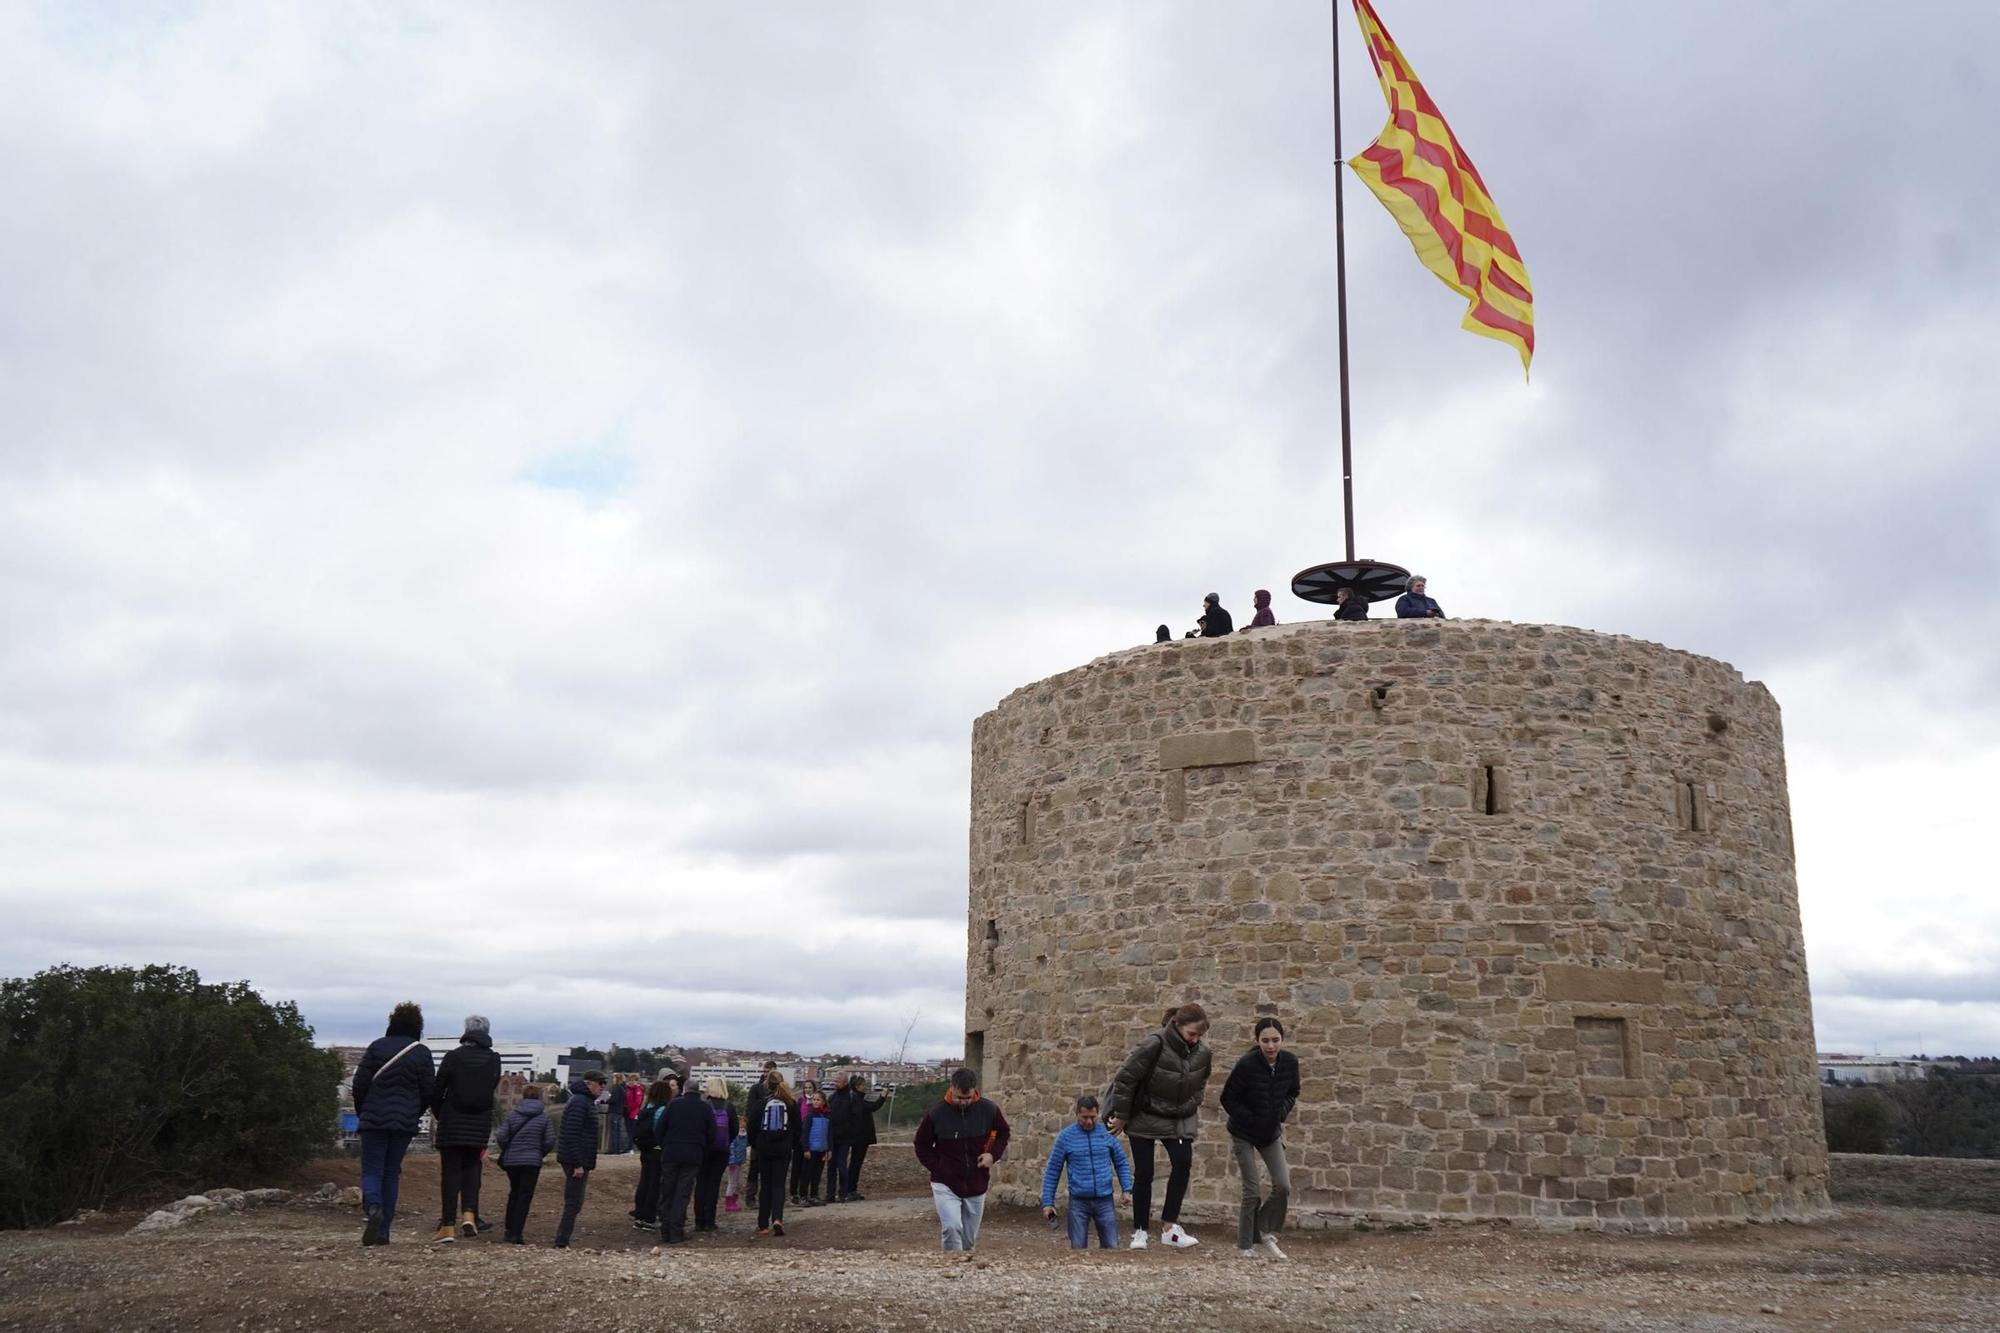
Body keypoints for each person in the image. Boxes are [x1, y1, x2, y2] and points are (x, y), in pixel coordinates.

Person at [1106, 1001, 1214, 1250]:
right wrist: (1122, 1115)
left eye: (1199, 1035)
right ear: (1177, 1025)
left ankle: (1169, 1227)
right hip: (1145, 1113)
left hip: (1179, 1115)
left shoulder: (1203, 1052)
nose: (1195, 1040)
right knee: (1144, 1172)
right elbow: (1126, 1078)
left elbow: (1201, 1082)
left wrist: (1193, 1102)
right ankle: (1140, 1230)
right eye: (1192, 1034)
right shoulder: (1153, 1044)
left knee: (1182, 1161)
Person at [352, 1002, 435, 1247]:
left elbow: (359, 1085)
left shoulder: (377, 1047)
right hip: (404, 1123)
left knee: (371, 1170)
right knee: (391, 1172)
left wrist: (363, 1112)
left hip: (373, 1119)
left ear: (392, 1023)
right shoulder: (421, 1053)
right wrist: (413, 1113)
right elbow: (428, 1091)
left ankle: (373, 1207)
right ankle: (384, 1231)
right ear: (418, 1026)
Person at [1220, 1017, 1302, 1260]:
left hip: (1270, 1132)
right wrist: (1250, 1119)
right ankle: (1245, 1245)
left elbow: (1293, 1092)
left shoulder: (1289, 1062)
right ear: (1257, 1041)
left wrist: (1280, 1114)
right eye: (1265, 1040)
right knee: (1252, 1190)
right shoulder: (1246, 1065)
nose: (1271, 1046)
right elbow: (1228, 1099)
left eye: (1275, 1040)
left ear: (1282, 1040)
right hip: (1243, 1132)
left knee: (1283, 1185)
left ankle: (1265, 1230)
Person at [913, 1068, 1010, 1252]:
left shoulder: (989, 1109)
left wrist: (992, 1155)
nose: (963, 1102)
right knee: (952, 1228)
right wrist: (938, 1167)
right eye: (959, 1098)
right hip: (945, 1183)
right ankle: (952, 1266)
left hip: (977, 1181)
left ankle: (967, 1269)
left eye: (968, 1098)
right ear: (952, 1088)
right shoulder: (936, 1113)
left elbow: (1003, 1133)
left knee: (968, 1239)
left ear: (974, 1090)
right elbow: (921, 1145)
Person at [430, 1015, 502, 1243]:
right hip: (479, 1123)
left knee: (450, 1173)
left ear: (466, 1031)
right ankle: (469, 1214)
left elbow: (437, 1089)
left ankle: (448, 1226)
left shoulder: (453, 1057)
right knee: (472, 1169)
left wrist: (441, 1114)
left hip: (452, 1121)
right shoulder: (494, 1059)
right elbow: (491, 1087)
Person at [1040, 1094, 1132, 1250]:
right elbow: (1053, 1170)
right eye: (1084, 1117)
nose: (1089, 1121)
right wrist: (1048, 1203)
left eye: (1092, 1117)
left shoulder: (1107, 1134)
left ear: (1097, 1115)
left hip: (1105, 1200)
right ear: (1077, 1114)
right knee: (1078, 1249)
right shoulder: (1065, 1137)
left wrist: (1127, 1189)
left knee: (1112, 1247)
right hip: (1078, 1202)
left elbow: (1121, 1162)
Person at [495, 1084, 557, 1243]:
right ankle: (517, 1233)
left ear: (523, 1097)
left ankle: (508, 1230)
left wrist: (508, 1148)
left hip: (512, 1161)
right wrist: (539, 1152)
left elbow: (501, 1135)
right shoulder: (544, 1117)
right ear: (539, 1097)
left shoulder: (512, 1114)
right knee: (525, 1196)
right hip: (532, 1161)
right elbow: (550, 1140)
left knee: (514, 1193)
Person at [652, 1080, 711, 1246]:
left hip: (671, 1152)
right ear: (698, 1091)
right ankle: (676, 1232)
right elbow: (711, 1133)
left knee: (667, 1190)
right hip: (693, 1154)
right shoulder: (705, 1108)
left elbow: (659, 1128)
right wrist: (701, 1148)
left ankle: (665, 1230)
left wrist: (665, 1144)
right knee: (682, 1193)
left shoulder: (673, 1105)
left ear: (684, 1090)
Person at [552, 1071, 605, 1248]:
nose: (603, 1086)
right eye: (600, 1083)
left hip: (578, 1157)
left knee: (575, 1201)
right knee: (574, 1201)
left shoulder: (583, 1101)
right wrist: (577, 1163)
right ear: (589, 1084)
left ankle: (564, 1236)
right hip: (575, 1159)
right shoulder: (581, 1102)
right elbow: (571, 1134)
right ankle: (562, 1240)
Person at [828, 1073, 888, 1202]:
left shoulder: (854, 1097)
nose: (865, 1088)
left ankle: (847, 1190)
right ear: (857, 1086)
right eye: (863, 1085)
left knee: (852, 1163)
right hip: (858, 1137)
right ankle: (848, 1190)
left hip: (854, 1136)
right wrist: (883, 1097)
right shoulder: (856, 1099)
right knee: (853, 1163)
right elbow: (872, 1107)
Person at [752, 1070, 798, 1237]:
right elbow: (798, 1129)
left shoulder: (761, 1104)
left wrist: (756, 1144)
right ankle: (777, 1218)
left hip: (764, 1148)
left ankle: (763, 1224)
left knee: (765, 1186)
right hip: (783, 1149)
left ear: (766, 1084)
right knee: (779, 1185)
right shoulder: (791, 1104)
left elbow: (752, 1128)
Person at [692, 1078, 738, 1232]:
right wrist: (726, 1141)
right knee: (714, 1185)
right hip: (721, 1151)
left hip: (704, 1149)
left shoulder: (703, 1105)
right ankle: (710, 1221)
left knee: (701, 1184)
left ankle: (699, 1221)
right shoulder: (729, 1107)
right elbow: (734, 1130)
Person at [629, 1078, 674, 1233]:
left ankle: (639, 1214)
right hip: (657, 1149)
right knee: (655, 1185)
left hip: (645, 1149)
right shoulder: (663, 1110)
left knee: (644, 1182)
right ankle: (649, 1217)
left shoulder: (647, 1107)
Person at [744, 1061, 778, 1202]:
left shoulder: (780, 1090)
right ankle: (750, 1197)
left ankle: (769, 1195)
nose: (765, 1074)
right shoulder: (755, 1089)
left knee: (771, 1168)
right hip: (758, 1134)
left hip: (775, 1135)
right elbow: (749, 1111)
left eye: (768, 1072)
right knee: (754, 1167)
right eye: (763, 1071)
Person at [790, 1079, 821, 1206]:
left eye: (810, 1087)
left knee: (807, 1168)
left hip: (811, 1139)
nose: (807, 1089)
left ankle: (807, 1194)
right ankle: (794, 1193)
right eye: (805, 1087)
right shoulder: (800, 1101)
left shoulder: (816, 1102)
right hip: (799, 1138)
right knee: (796, 1167)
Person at [799, 1089, 833, 1204]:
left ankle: (814, 1195)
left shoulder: (827, 1116)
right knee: (806, 1174)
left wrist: (829, 1149)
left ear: (823, 1101)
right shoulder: (809, 1116)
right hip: (811, 1150)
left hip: (822, 1150)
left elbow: (829, 1134)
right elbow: (805, 1134)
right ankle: (803, 1196)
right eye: (814, 1099)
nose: (816, 1102)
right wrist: (806, 1149)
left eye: (818, 1100)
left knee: (817, 1175)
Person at [724, 1122, 747, 1214]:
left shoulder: (743, 1135)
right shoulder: (735, 1136)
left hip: (739, 1161)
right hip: (733, 1163)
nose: (742, 1126)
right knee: (732, 1182)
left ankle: (734, 1200)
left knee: (737, 1182)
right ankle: (729, 1202)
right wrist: (732, 1161)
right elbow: (731, 1148)